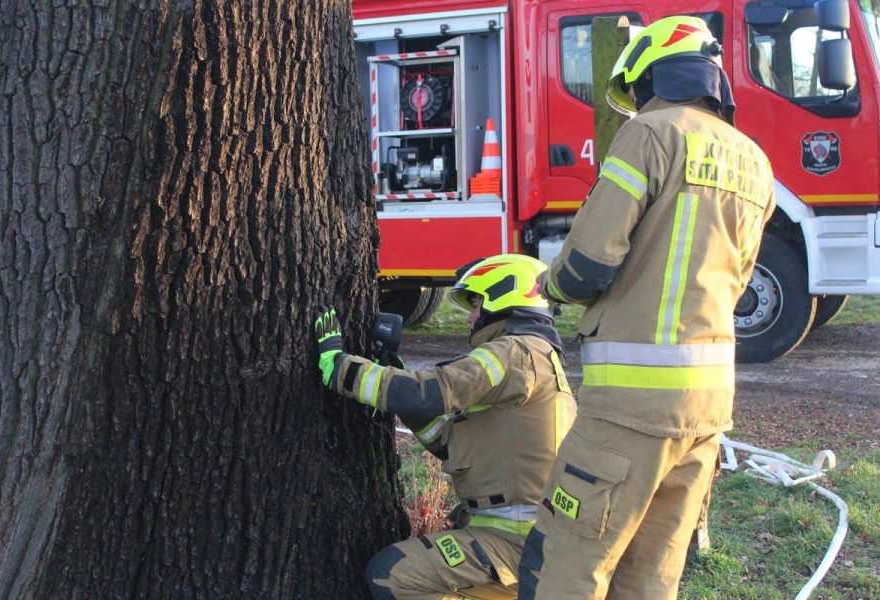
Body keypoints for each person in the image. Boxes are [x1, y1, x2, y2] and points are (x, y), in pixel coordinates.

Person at [517, 16, 776, 599]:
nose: (638, 102)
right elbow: (737, 278)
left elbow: (587, 263)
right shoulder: (754, 161)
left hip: (630, 408)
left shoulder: (650, 133)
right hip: (708, 410)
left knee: (565, 559)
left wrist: (549, 286)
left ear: (653, 74)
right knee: (652, 574)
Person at [315, 254, 577, 599]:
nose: (470, 317)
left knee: (392, 574)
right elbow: (447, 443)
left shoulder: (513, 353)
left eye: (476, 303)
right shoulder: (535, 357)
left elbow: (428, 393)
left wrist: (339, 367)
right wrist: (402, 388)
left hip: (514, 541)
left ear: (503, 297)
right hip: (530, 541)